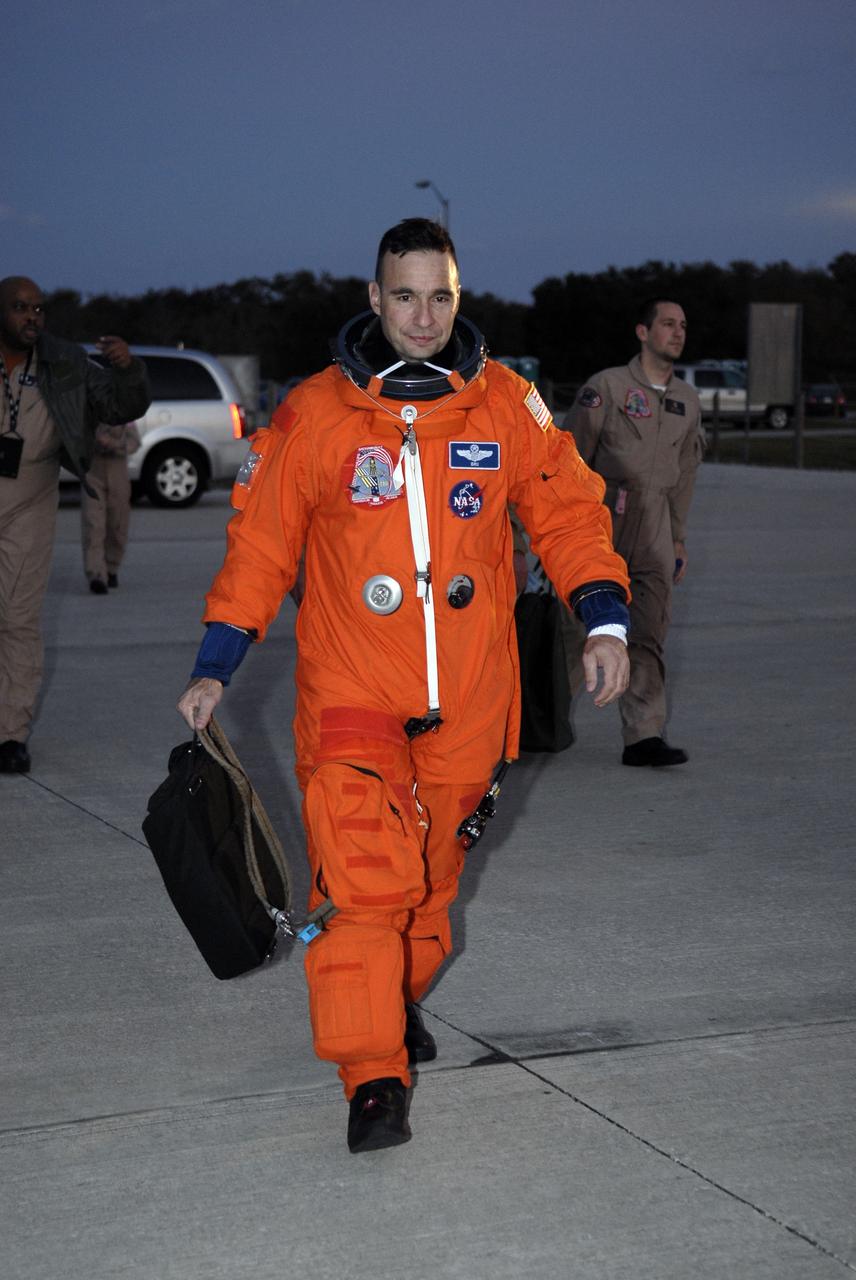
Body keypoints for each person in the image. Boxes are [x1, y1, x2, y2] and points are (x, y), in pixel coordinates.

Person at [177, 219, 631, 1153]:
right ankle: (371, 1076)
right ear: (374, 298)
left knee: (431, 885)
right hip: (353, 691)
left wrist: (606, 620)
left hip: (471, 698)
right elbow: (260, 546)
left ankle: (392, 999)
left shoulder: (508, 404)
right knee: (366, 887)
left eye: (440, 296)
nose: (422, 317)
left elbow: (570, 512)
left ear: (456, 299)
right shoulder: (314, 416)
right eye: (404, 296)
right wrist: (215, 664)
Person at [0, 277, 150, 773]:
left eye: (38, 309)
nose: (32, 318)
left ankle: (10, 734)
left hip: (29, 502)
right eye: (21, 308)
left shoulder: (62, 360)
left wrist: (127, 371)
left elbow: (119, 405)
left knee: (18, 621)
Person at [563, 298, 703, 767]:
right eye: (667, 324)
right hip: (602, 520)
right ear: (642, 332)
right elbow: (567, 460)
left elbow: (686, 473)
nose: (677, 332)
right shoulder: (606, 387)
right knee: (573, 628)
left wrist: (678, 537)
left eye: (682, 325)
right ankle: (539, 724)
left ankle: (643, 736)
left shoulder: (687, 399)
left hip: (658, 525)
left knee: (648, 630)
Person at [81, 420, 141, 593]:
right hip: (93, 472)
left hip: (117, 471)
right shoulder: (87, 410)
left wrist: (114, 444)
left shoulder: (123, 412)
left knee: (118, 524)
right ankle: (96, 574)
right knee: (93, 523)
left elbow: (134, 442)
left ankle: (112, 567)